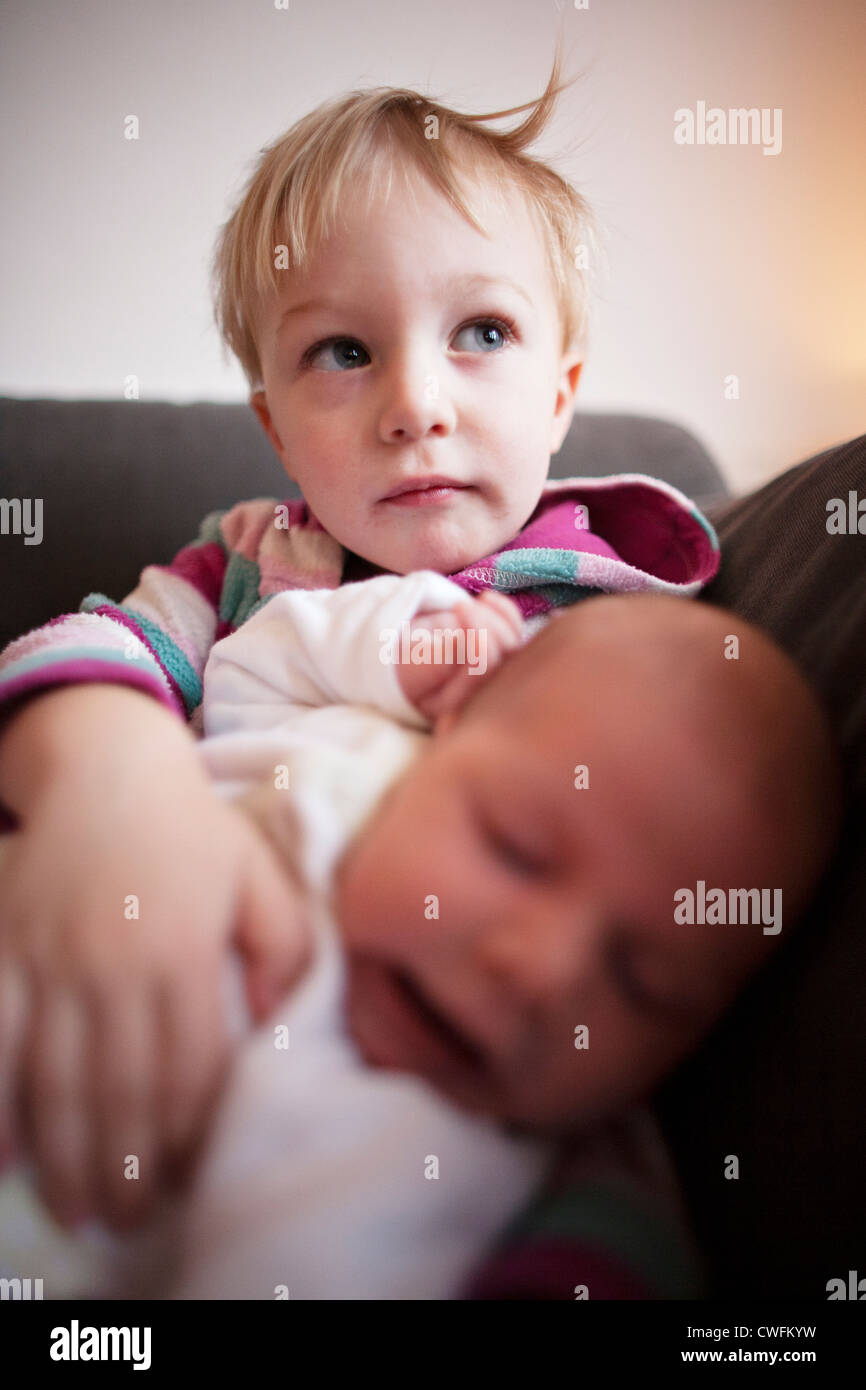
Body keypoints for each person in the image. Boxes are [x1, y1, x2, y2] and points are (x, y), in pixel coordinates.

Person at [0, 52, 720, 1234]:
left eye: (481, 330)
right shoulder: (238, 574)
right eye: (343, 350)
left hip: (454, 1091)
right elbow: (81, 652)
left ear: (557, 395)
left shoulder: (610, 621)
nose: (415, 402)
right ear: (276, 427)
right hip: (174, 989)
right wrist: (108, 794)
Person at [104, 580, 836, 1299]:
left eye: (639, 983)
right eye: (516, 850)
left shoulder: (567, 1181)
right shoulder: (327, 757)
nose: (540, 971)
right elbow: (253, 658)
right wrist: (422, 648)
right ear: (453, 727)